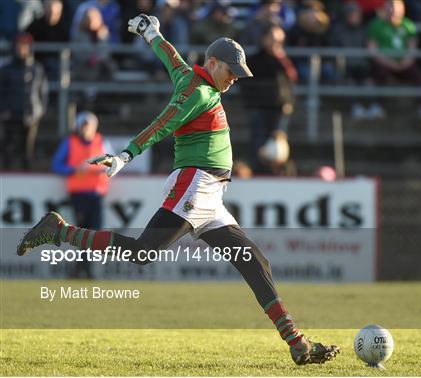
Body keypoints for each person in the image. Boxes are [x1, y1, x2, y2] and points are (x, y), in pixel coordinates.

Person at [16, 14, 340, 365]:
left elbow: (171, 57)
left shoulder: (192, 78)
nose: (233, 80)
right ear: (212, 63)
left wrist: (151, 32)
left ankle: (296, 342)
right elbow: (163, 123)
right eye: (230, 71)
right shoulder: (199, 92)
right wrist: (127, 154)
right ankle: (60, 231)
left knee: (253, 260)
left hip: (210, 195)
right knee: (143, 253)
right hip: (195, 186)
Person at [51, 111, 110, 279]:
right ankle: (84, 271)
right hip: (79, 195)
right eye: (82, 125)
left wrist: (101, 169)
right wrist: (74, 170)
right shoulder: (70, 142)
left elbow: (112, 163)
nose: (85, 128)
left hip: (96, 195)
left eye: (88, 125)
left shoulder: (101, 141)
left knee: (94, 233)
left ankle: (81, 270)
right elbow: (56, 165)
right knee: (83, 234)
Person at [240, 23, 297, 174]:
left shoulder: (282, 61)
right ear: (264, 39)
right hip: (259, 109)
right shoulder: (254, 61)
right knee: (259, 147)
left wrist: (288, 102)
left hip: (279, 111)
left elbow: (291, 80)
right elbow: (246, 85)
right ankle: (258, 174)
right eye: (273, 39)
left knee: (278, 149)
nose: (276, 44)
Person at [0, 33, 48, 170]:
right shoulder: (5, 69)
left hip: (30, 116)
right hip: (9, 117)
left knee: (28, 152)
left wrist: (39, 111)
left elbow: (43, 93)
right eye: (19, 46)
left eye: (25, 46)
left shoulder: (37, 69)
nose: (22, 49)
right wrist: (3, 110)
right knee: (7, 150)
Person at [366, 0, 421, 84]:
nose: (393, 10)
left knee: (418, 76)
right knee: (380, 74)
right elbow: (372, 50)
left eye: (397, 8)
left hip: (404, 63)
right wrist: (391, 63)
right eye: (391, 7)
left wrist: (405, 62)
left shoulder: (408, 25)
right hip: (384, 62)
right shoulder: (376, 25)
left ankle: (416, 97)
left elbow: (412, 48)